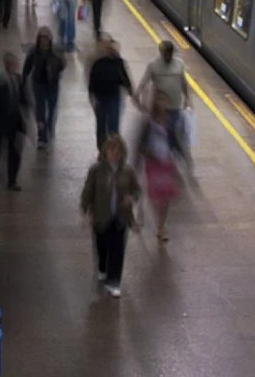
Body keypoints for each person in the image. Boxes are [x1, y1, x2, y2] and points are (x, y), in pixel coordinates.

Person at [80, 134, 141, 297]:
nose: (114, 154)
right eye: (111, 150)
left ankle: (114, 281)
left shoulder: (127, 171)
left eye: (118, 150)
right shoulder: (96, 170)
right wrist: (85, 210)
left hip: (119, 217)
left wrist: (131, 198)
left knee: (118, 249)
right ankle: (102, 268)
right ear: (105, 151)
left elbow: (136, 190)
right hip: (101, 217)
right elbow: (88, 191)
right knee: (102, 246)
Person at [137, 41, 193, 172]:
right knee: (163, 133)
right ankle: (168, 157)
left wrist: (187, 98)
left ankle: (177, 156)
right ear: (161, 53)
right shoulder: (153, 66)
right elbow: (144, 81)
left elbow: (183, 82)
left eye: (170, 53)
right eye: (166, 54)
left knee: (173, 132)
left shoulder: (179, 64)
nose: (168, 56)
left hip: (175, 106)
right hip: (159, 108)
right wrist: (138, 95)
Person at [137, 91, 182, 242]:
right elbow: (140, 145)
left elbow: (174, 141)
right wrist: (141, 159)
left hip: (166, 162)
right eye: (160, 100)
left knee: (166, 196)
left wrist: (180, 158)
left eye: (164, 101)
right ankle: (155, 219)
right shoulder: (148, 122)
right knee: (157, 196)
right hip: (153, 163)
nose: (162, 104)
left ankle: (161, 227)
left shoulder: (169, 121)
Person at [0, 52, 29, 191]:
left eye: (14, 63)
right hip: (1, 122)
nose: (13, 66)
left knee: (15, 152)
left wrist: (26, 115)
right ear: (5, 65)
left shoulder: (20, 80)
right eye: (10, 64)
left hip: (16, 122)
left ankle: (12, 180)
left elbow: (24, 99)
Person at [88, 37, 133, 150]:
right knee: (101, 126)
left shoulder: (118, 62)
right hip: (100, 98)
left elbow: (125, 78)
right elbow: (92, 82)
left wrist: (130, 89)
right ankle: (102, 150)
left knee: (113, 125)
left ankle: (114, 150)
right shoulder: (97, 63)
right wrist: (92, 98)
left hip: (114, 97)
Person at [22, 27, 64, 147]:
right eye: (42, 38)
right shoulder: (34, 52)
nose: (44, 41)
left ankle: (49, 129)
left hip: (52, 85)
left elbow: (62, 65)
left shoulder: (55, 51)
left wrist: (54, 68)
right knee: (40, 110)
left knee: (51, 109)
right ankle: (42, 135)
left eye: (46, 38)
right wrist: (24, 81)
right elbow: (27, 67)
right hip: (39, 84)